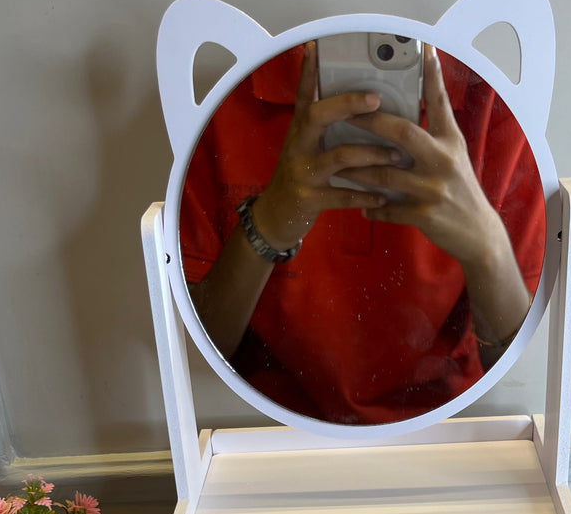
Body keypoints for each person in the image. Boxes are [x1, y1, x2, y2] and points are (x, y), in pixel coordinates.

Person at [180, 42, 545, 425]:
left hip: (448, 423)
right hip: (267, 424)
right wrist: (267, 225)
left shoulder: (487, 96)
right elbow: (195, 354)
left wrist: (486, 247)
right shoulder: (231, 95)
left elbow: (520, 371)